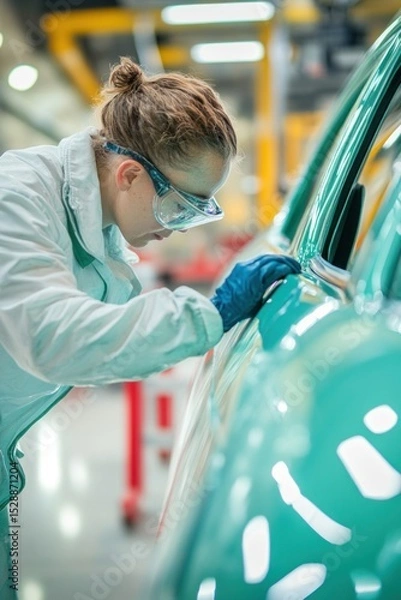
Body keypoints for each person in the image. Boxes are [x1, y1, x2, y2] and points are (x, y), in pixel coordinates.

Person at [0, 57, 300, 597]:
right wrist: (210, 313)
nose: (179, 227)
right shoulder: (16, 197)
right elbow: (52, 334)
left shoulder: (100, 229)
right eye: (181, 208)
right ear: (131, 174)